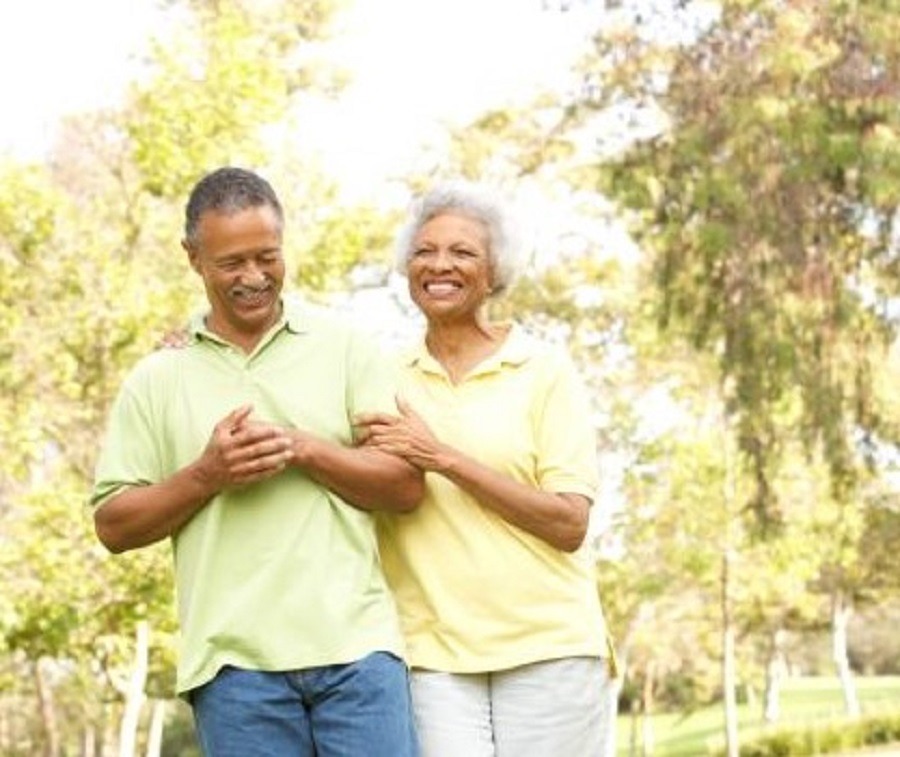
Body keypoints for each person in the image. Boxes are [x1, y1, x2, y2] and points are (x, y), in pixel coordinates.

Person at [90, 166, 423, 757]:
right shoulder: (158, 377)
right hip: (233, 670)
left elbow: (403, 487)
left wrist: (304, 447)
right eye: (231, 263)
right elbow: (114, 526)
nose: (254, 277)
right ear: (193, 258)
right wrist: (206, 475)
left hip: (358, 653)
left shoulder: (344, 347)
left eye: (267, 256)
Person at [354, 180, 616, 757]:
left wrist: (441, 457)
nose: (439, 265)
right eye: (424, 251)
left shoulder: (543, 370)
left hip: (549, 647)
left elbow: (569, 523)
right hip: (432, 654)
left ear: (495, 271)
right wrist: (194, 348)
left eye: (462, 252)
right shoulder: (381, 375)